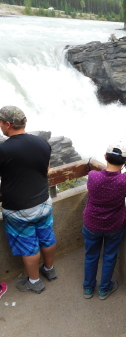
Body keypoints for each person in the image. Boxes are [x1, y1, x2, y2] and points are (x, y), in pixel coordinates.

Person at [0, 105, 57, 294]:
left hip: (19, 209)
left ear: (8, 124)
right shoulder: (42, 143)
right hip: (43, 202)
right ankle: (49, 270)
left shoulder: (3, 150)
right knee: (47, 237)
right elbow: (46, 168)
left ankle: (34, 282)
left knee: (28, 246)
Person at [82, 142, 126, 300]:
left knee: (91, 255)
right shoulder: (124, 179)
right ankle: (104, 289)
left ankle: (88, 288)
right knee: (109, 256)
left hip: (91, 224)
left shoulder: (93, 176)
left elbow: (101, 179)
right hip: (114, 225)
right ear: (123, 162)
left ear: (105, 157)